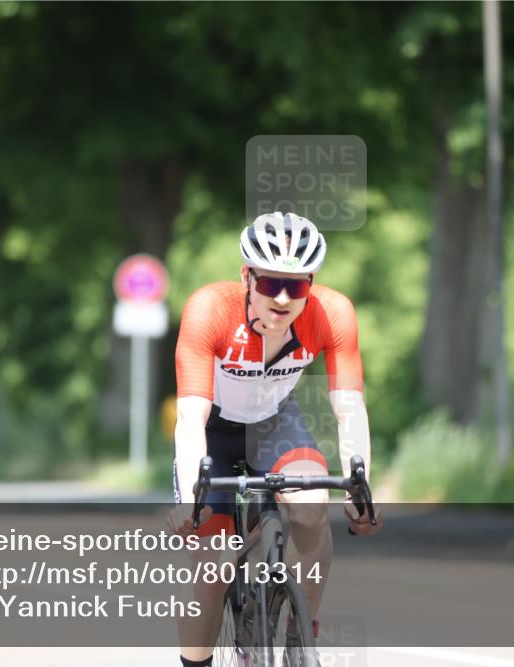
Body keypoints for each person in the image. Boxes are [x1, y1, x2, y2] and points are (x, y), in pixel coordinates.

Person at [167, 212, 382, 667]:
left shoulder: (332, 313)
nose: (283, 298)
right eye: (269, 285)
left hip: (273, 422)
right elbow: (190, 416)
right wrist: (191, 497)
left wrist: (361, 483)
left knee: (311, 506)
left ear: (312, 282)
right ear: (247, 276)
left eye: (297, 286)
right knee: (213, 570)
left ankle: (299, 636)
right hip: (212, 431)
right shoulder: (211, 309)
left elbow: (348, 406)